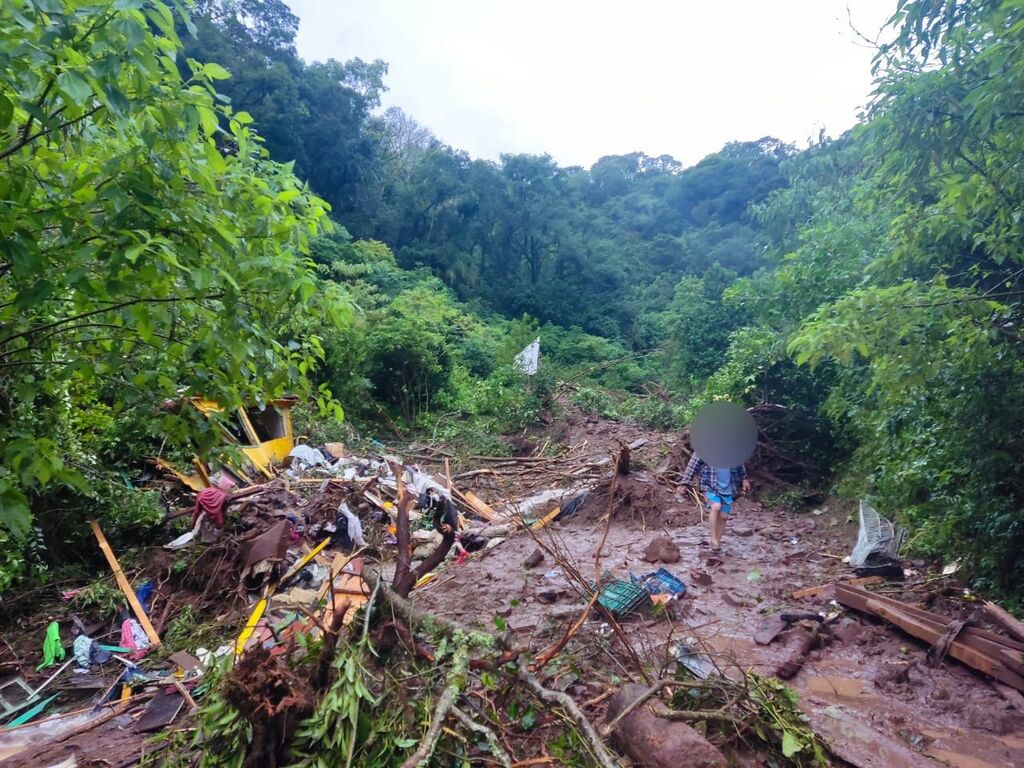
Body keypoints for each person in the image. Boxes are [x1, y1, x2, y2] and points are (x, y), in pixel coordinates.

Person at [681, 453, 750, 552]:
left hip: (728, 488)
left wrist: (744, 479)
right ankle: (713, 539)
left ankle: (717, 541)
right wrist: (685, 483)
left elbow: (740, 465)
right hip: (710, 485)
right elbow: (692, 466)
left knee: (724, 516)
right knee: (716, 506)